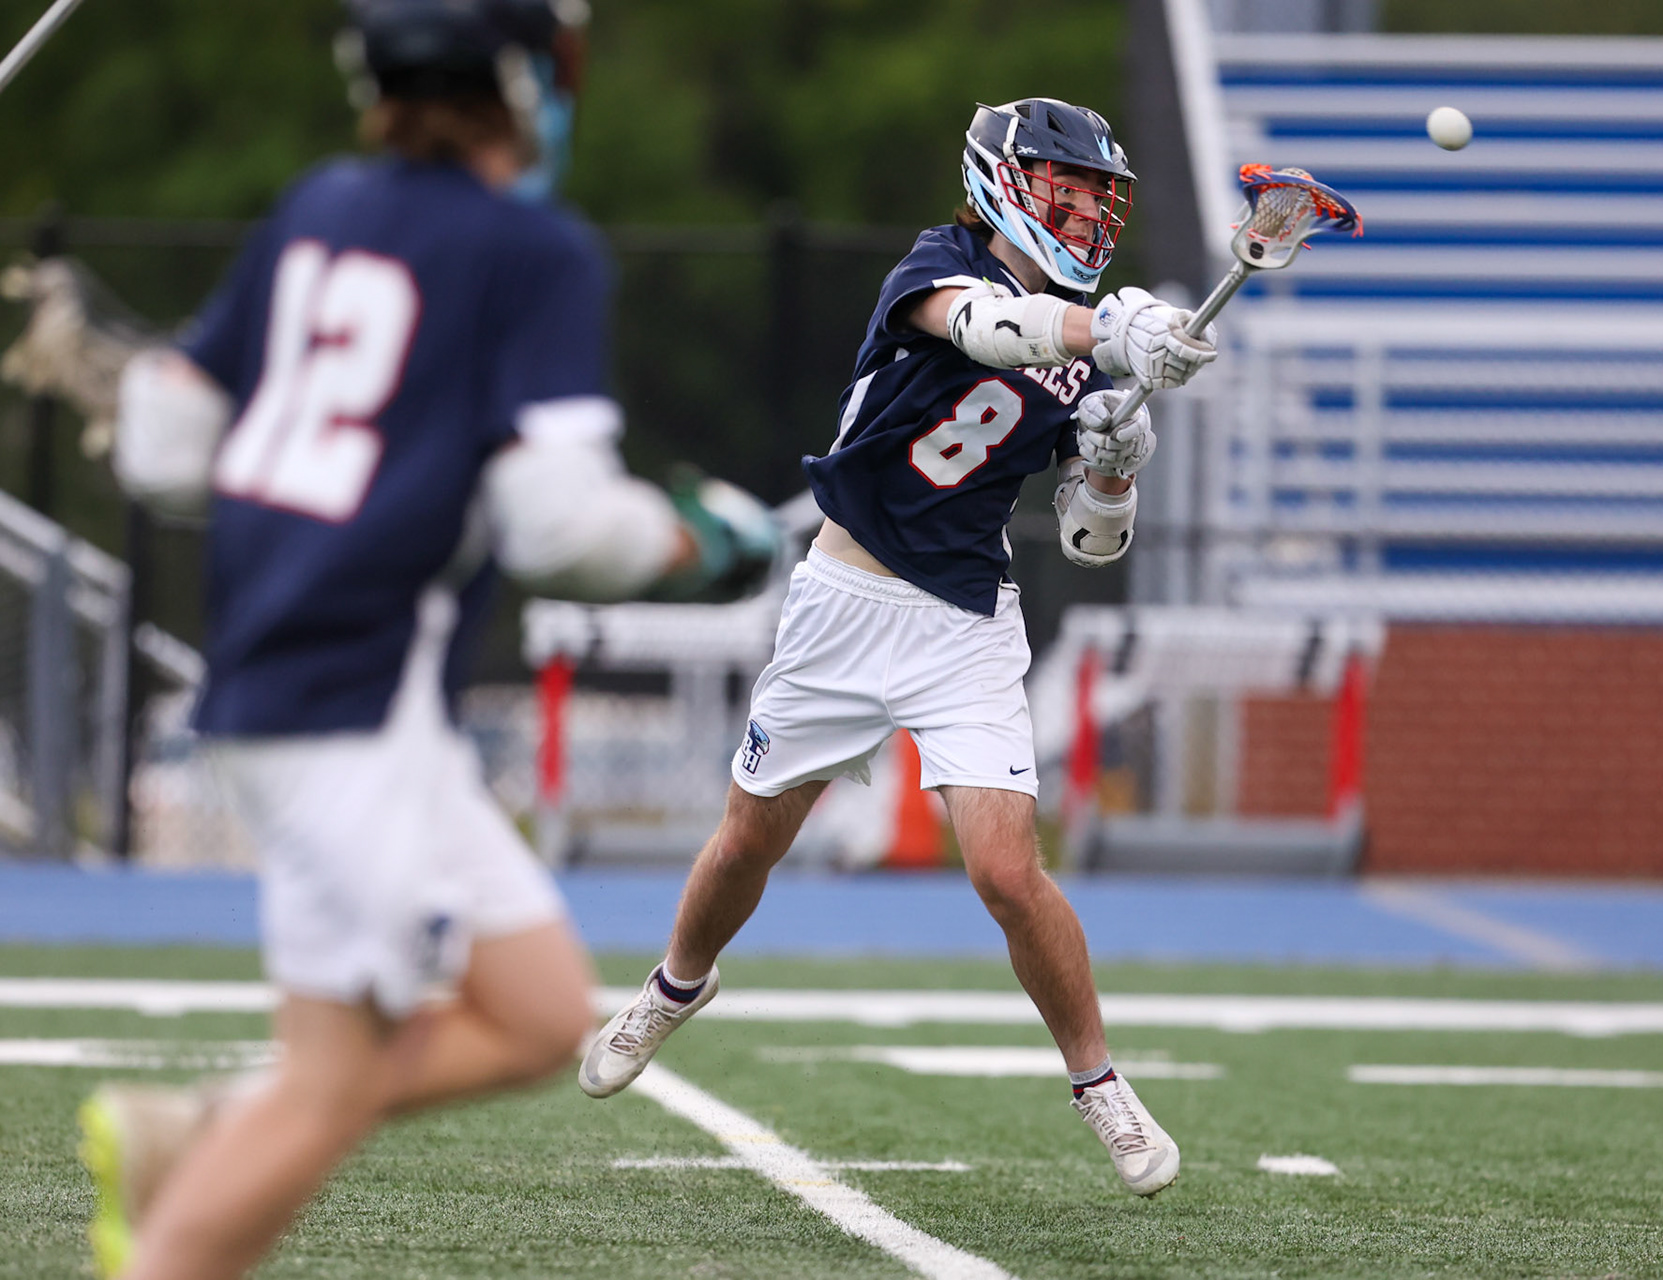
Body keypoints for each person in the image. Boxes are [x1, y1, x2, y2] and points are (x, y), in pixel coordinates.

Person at [66, 3, 778, 1277]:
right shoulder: (534, 250)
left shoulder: (318, 206)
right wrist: (694, 537)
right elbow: (559, 523)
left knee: (532, 1015)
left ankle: (202, 1129)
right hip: (357, 711)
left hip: (297, 695)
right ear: (531, 80)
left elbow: (166, 447)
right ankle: (206, 1147)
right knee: (348, 1083)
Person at [578, 97, 1217, 1197]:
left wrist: (1113, 459)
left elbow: (1087, 537)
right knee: (745, 843)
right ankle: (675, 986)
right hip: (843, 598)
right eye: (1069, 190)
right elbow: (985, 328)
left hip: (963, 618)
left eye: (1098, 199)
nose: (1090, 215)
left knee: (1009, 873)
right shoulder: (940, 266)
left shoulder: (1080, 332)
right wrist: (1110, 332)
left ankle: (1100, 1080)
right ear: (1004, 184)